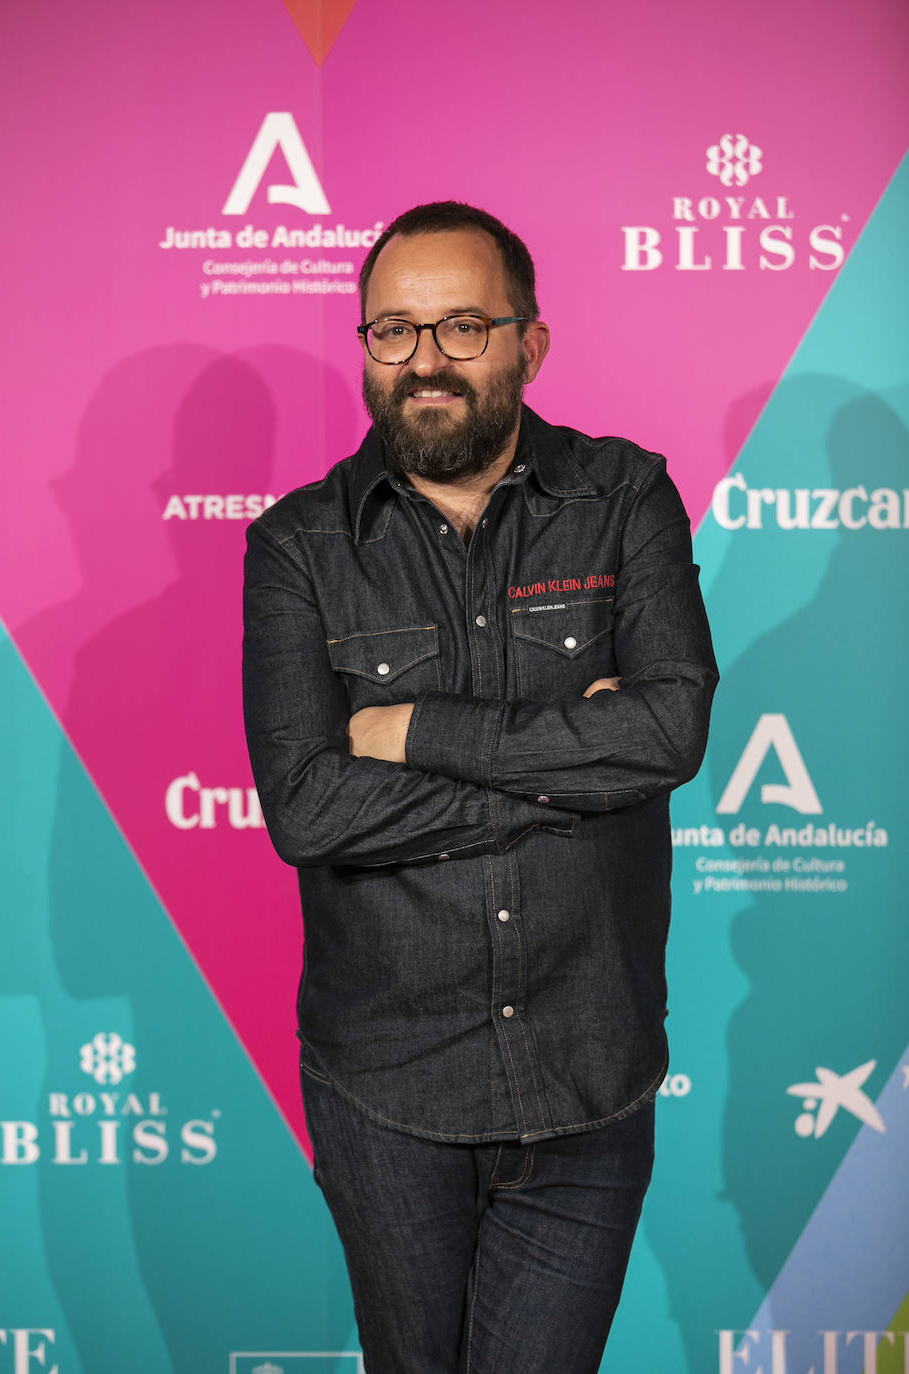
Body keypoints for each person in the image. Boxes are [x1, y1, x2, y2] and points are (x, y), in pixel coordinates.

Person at [243, 201, 718, 1373]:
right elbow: (307, 808)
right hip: (386, 1088)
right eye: (393, 333)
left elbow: (666, 732)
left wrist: (412, 730)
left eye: (462, 326)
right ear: (364, 349)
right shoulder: (299, 547)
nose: (425, 364)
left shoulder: (622, 500)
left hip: (585, 1075)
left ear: (529, 344)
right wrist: (573, 765)